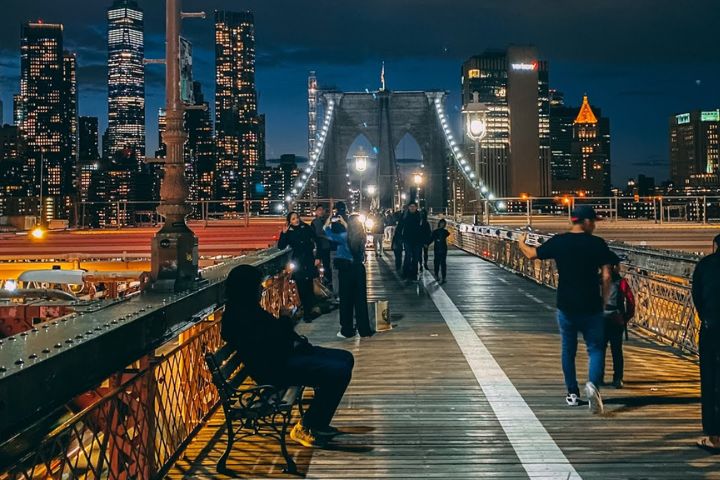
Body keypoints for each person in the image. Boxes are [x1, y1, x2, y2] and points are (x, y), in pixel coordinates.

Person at [221, 264, 355, 448]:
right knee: (339, 371)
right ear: (246, 288)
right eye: (257, 286)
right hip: (275, 368)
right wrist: (285, 319)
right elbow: (272, 339)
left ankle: (318, 421)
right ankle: (309, 425)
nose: (261, 289)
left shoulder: (244, 308)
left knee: (346, 358)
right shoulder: (241, 314)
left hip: (282, 358)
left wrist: (289, 332)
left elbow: (272, 336)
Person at [518, 205, 613, 414]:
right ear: (586, 222)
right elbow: (607, 275)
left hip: (566, 305)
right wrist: (604, 301)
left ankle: (572, 393)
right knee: (596, 349)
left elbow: (532, 254)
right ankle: (593, 386)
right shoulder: (597, 244)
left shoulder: (559, 242)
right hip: (591, 306)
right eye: (593, 221)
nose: (595, 225)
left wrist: (520, 242)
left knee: (568, 350)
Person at [692, 233, 720, 453]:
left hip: (712, 327)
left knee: (710, 379)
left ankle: (714, 435)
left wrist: (706, 317)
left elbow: (697, 296)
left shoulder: (705, 265)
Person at [324, 213, 373, 339]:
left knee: (346, 300)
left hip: (346, 270)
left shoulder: (344, 236)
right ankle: (364, 329)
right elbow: (353, 235)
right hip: (359, 269)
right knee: (360, 300)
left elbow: (327, 232)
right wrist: (347, 224)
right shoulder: (362, 235)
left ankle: (347, 330)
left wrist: (329, 222)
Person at [601, 252, 635, 389]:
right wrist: (626, 317)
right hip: (616, 320)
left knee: (599, 350)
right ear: (614, 266)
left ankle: (598, 377)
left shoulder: (596, 280)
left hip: (599, 321)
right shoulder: (621, 282)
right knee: (617, 351)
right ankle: (617, 378)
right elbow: (631, 301)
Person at [278, 212, 321, 323]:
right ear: (290, 221)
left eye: (297, 218)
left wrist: (318, 257)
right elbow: (281, 246)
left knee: (309, 286)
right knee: (301, 287)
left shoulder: (306, 227)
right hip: (298, 262)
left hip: (309, 259)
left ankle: (308, 311)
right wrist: (283, 233)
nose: (296, 220)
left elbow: (317, 240)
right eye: (293, 219)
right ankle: (307, 312)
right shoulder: (289, 231)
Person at [399, 202, 424, 281]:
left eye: (414, 206)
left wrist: (424, 239)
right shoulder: (405, 215)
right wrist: (400, 237)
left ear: (416, 207)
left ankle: (414, 273)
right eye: (411, 206)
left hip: (417, 240)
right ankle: (406, 273)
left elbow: (423, 227)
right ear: (408, 207)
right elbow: (400, 226)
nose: (412, 208)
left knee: (415, 257)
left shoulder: (420, 215)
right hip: (407, 239)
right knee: (408, 256)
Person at [311, 205, 333, 288]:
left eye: (322, 210)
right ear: (316, 211)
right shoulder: (314, 222)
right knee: (321, 266)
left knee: (328, 266)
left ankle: (328, 283)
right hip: (319, 247)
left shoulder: (328, 221)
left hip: (328, 247)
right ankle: (322, 284)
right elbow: (313, 236)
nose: (321, 211)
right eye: (319, 210)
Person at [431, 219, 450, 283]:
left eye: (443, 223)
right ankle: (437, 275)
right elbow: (432, 238)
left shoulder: (444, 231)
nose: (442, 224)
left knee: (443, 263)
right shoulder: (440, 232)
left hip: (443, 248)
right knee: (437, 262)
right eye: (441, 223)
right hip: (438, 248)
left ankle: (443, 277)